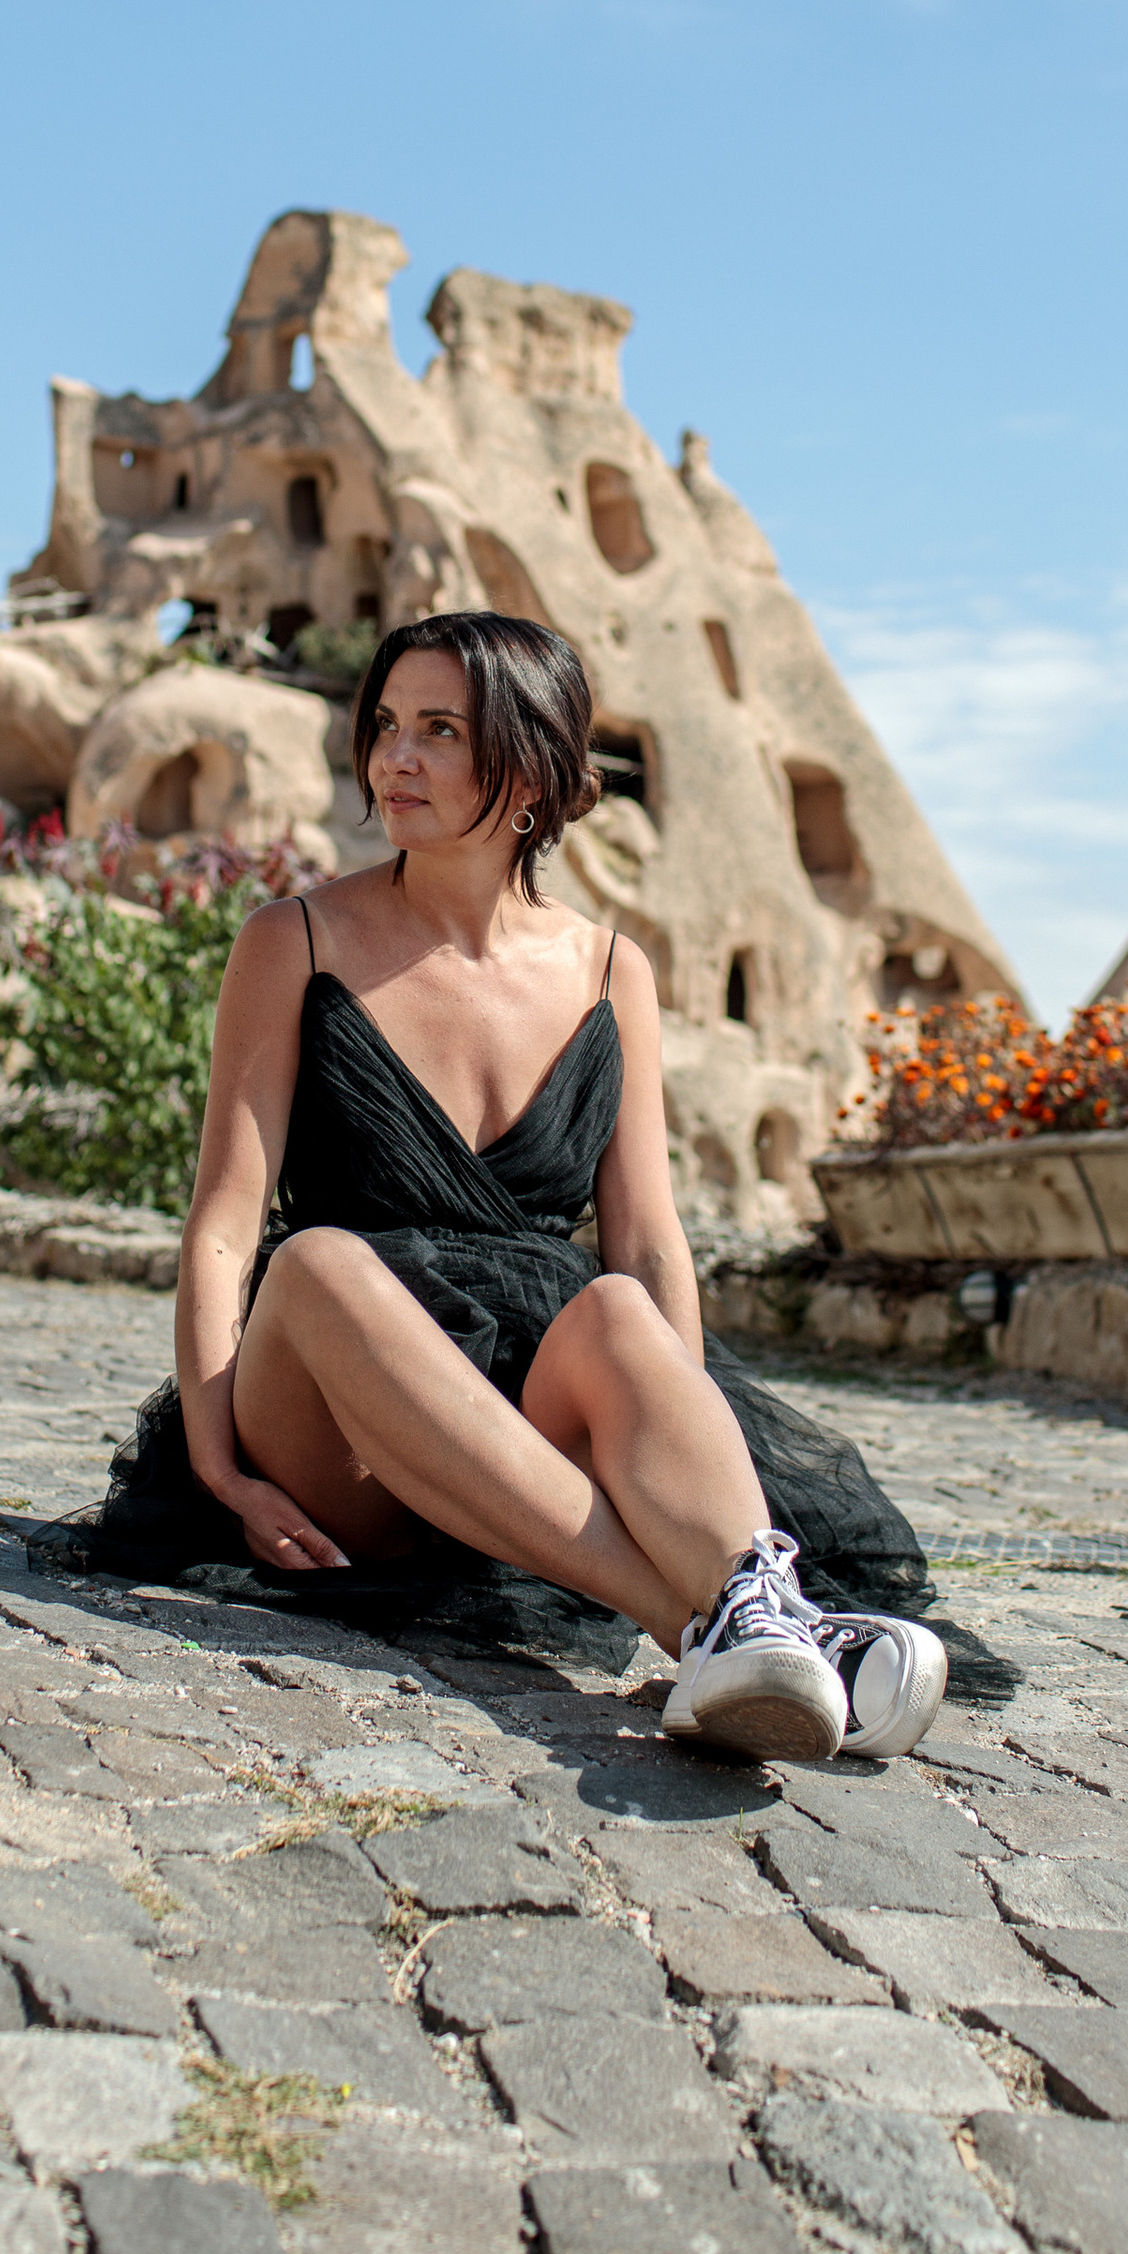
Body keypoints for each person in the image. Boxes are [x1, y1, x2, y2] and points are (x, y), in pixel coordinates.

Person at [144, 608, 949, 1766]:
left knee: (620, 1307)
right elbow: (228, 1219)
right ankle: (711, 1628)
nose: (393, 759)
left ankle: (749, 1605)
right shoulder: (294, 940)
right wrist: (216, 1466)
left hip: (517, 1427)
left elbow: (650, 1240)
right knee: (318, 1258)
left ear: (527, 766)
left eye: (438, 731)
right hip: (333, 1422)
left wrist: (700, 1443)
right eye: (384, 725)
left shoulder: (613, 969)